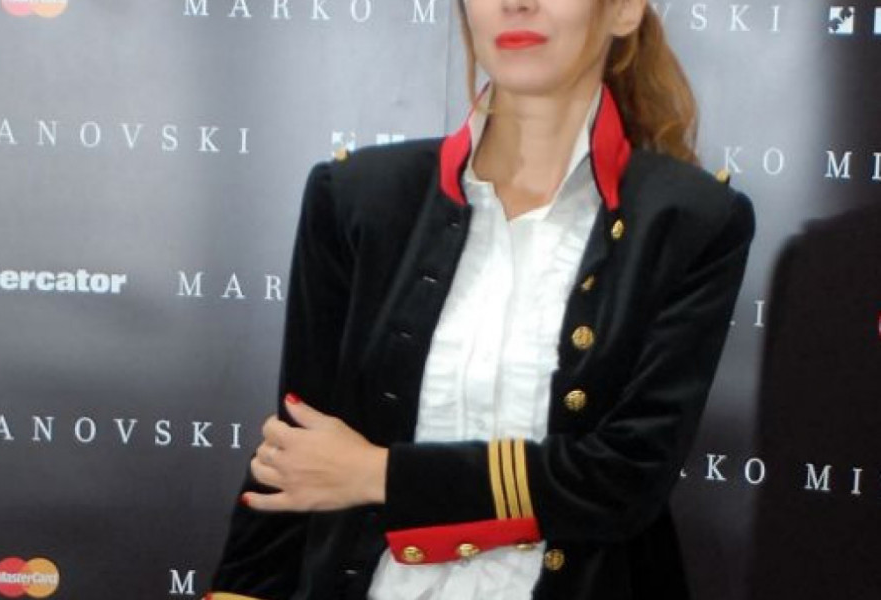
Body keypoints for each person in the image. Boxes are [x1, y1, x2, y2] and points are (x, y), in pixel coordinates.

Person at [206, 0, 755, 598]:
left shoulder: (692, 220)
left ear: (623, 11)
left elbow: (626, 478)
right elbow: (297, 456)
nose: (516, 4)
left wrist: (378, 474)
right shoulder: (357, 197)